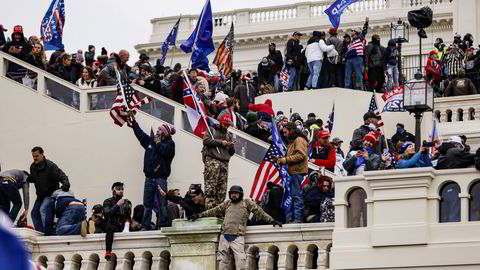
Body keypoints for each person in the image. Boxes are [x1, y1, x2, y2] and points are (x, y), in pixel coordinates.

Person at [189, 185, 282, 270]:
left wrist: (272, 220)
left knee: (241, 263)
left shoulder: (247, 203)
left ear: (240, 194)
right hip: (224, 237)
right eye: (232, 193)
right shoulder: (227, 203)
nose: (233, 195)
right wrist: (199, 215)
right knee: (223, 264)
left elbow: (260, 213)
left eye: (236, 193)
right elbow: (214, 211)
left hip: (238, 237)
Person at [130, 114, 176, 230]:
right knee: (147, 204)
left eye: (160, 129)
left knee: (162, 204)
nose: (157, 130)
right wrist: (134, 123)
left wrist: (158, 143)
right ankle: (146, 225)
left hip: (161, 178)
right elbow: (141, 135)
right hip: (149, 178)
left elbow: (166, 152)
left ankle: (163, 225)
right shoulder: (151, 141)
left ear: (165, 133)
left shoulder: (170, 144)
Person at [28, 146, 70, 234]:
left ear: (42, 155)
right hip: (40, 195)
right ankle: (40, 233)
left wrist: (66, 184)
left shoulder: (50, 166)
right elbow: (34, 177)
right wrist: (29, 178)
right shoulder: (33, 167)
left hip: (51, 193)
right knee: (34, 213)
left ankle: (49, 232)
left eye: (36, 156)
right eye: (33, 156)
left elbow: (62, 175)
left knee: (43, 210)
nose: (34, 158)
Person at [202, 115, 236, 209]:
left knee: (222, 190)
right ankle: (209, 210)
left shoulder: (228, 135)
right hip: (213, 160)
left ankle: (218, 210)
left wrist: (231, 146)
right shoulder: (212, 130)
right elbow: (206, 141)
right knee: (211, 187)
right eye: (225, 124)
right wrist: (221, 142)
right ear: (221, 122)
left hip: (224, 163)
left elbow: (232, 153)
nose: (226, 127)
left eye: (228, 125)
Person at [277, 122, 308, 223]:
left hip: (296, 173)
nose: (284, 134)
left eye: (285, 132)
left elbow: (301, 155)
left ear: (291, 130)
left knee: (296, 196)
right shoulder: (292, 141)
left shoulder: (299, 140)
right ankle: (290, 219)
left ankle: (297, 219)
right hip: (291, 173)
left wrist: (285, 160)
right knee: (289, 196)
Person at [103, 182, 131, 260]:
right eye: (118, 189)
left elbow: (128, 216)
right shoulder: (107, 201)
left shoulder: (127, 202)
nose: (121, 191)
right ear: (113, 190)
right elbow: (107, 214)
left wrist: (128, 223)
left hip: (123, 225)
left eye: (122, 189)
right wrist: (117, 205)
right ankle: (108, 251)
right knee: (109, 227)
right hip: (113, 225)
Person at [345, 17, 369, 90]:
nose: (351, 32)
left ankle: (359, 88)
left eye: (352, 31)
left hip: (357, 58)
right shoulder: (350, 42)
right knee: (347, 74)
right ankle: (347, 87)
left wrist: (366, 23)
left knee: (358, 74)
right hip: (349, 59)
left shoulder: (360, 38)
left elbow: (364, 31)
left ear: (355, 32)